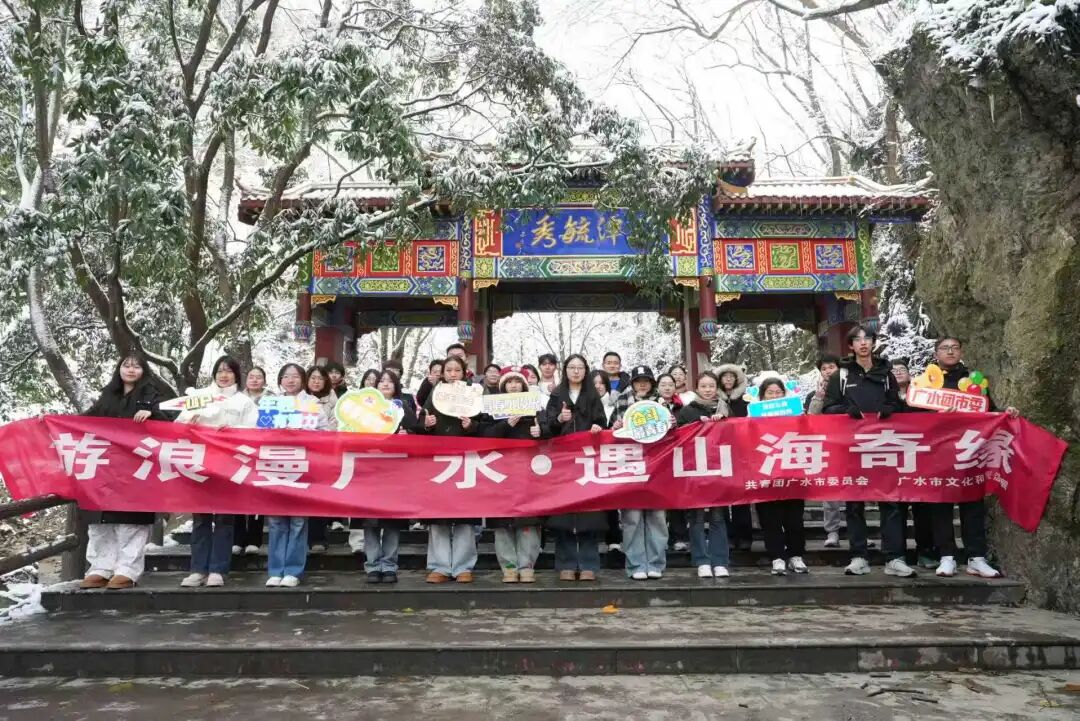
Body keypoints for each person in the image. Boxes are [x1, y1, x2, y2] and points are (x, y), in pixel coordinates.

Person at [926, 336, 1018, 579]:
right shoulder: (927, 382)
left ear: (961, 351)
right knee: (941, 504)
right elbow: (913, 416)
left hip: (971, 450)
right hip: (939, 452)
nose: (950, 351)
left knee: (973, 503)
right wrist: (936, 416)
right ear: (936, 353)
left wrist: (1004, 413)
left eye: (955, 348)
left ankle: (976, 557)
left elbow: (989, 410)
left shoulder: (973, 380)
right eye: (945, 348)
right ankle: (947, 556)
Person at [79, 354, 171, 590]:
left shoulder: (153, 395)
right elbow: (84, 420)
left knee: (131, 521)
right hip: (106, 468)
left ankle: (127, 569)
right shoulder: (108, 395)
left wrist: (152, 414)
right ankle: (100, 567)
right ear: (119, 369)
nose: (131, 370)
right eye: (126, 365)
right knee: (101, 522)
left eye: (136, 366)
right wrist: (52, 420)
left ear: (144, 371)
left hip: (137, 469)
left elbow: (171, 422)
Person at [822, 326, 909, 577]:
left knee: (891, 503)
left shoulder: (886, 374)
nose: (863, 343)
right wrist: (846, 411)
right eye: (857, 340)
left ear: (873, 343)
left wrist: (890, 408)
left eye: (867, 339)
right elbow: (828, 408)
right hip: (852, 447)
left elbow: (897, 404)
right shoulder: (841, 375)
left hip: (884, 446)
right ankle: (858, 556)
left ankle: (894, 557)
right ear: (850, 346)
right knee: (854, 504)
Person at [177, 355, 259, 588]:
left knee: (224, 519)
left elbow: (254, 431)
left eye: (229, 371)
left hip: (229, 465)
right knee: (200, 518)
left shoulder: (244, 402)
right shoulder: (199, 397)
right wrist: (189, 424)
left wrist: (234, 430)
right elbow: (177, 426)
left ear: (236, 375)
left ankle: (218, 570)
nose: (224, 375)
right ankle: (197, 569)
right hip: (199, 463)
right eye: (220, 371)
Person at [264, 363, 335, 588]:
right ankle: (275, 570)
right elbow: (259, 432)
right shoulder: (271, 403)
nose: (290, 380)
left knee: (298, 520)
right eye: (286, 376)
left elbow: (325, 433)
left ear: (303, 380)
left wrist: (304, 433)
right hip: (276, 465)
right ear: (280, 380)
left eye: (295, 376)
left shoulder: (312, 403)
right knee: (276, 520)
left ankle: (293, 570)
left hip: (302, 465)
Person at [420, 356, 484, 583]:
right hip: (439, 461)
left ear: (464, 372)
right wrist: (427, 425)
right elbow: (421, 421)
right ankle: (439, 566)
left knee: (465, 516)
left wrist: (471, 426)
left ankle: (463, 566)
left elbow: (486, 425)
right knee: (438, 516)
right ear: (443, 373)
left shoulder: (473, 393)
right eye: (449, 370)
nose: (453, 374)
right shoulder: (435, 392)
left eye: (457, 370)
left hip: (466, 460)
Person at [545, 354, 608, 581]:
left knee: (589, 513)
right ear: (565, 370)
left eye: (580, 367)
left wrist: (597, 427)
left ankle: (589, 564)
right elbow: (547, 427)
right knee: (564, 514)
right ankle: (566, 564)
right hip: (563, 462)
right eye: (571, 367)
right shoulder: (556, 395)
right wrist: (559, 420)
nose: (576, 371)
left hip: (588, 460)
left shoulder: (592, 395)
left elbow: (602, 422)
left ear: (586, 370)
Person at [483, 369, 547, 583]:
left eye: (517, 382)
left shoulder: (535, 408)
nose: (513, 385)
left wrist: (541, 432)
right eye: (509, 382)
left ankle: (527, 565)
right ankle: (509, 567)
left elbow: (549, 431)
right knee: (502, 524)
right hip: (499, 473)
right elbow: (484, 435)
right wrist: (506, 424)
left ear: (523, 386)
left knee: (528, 521)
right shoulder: (492, 409)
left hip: (528, 473)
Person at [357, 370, 419, 583]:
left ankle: (390, 565)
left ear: (396, 386)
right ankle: (373, 565)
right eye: (381, 381)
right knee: (369, 521)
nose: (385, 384)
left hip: (395, 470)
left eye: (389, 381)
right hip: (368, 468)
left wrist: (408, 434)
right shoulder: (364, 407)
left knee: (392, 521)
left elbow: (416, 431)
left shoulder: (402, 406)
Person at [612, 366, 670, 579]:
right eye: (638, 381)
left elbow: (674, 435)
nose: (642, 384)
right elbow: (611, 433)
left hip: (658, 469)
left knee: (657, 517)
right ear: (632, 383)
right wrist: (616, 426)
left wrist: (672, 424)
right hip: (630, 467)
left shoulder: (662, 404)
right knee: (632, 518)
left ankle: (655, 563)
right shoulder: (621, 402)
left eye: (646, 380)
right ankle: (636, 565)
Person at [676, 371, 732, 578]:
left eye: (711, 386)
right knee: (696, 517)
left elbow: (736, 433)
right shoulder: (687, 411)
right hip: (694, 469)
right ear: (697, 388)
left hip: (719, 468)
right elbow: (678, 436)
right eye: (704, 386)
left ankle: (720, 560)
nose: (708, 390)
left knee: (718, 516)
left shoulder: (725, 408)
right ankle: (701, 560)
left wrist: (723, 422)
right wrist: (695, 425)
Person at [755, 377, 809, 575]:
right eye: (770, 392)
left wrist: (803, 419)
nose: (775, 396)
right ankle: (777, 557)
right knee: (770, 519)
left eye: (778, 392)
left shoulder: (795, 413)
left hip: (792, 471)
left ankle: (796, 555)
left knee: (794, 519)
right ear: (762, 396)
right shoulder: (753, 415)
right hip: (766, 472)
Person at [804, 353, 844, 549]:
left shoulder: (850, 389)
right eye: (824, 368)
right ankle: (832, 531)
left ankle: (858, 532)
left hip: (852, 445)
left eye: (831, 367)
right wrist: (819, 396)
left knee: (857, 491)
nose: (828, 371)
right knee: (830, 492)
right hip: (827, 447)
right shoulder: (814, 394)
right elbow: (811, 417)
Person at [716, 363, 753, 551]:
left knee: (742, 496)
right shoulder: (713, 400)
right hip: (720, 453)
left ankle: (745, 535)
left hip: (743, 452)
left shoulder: (747, 400)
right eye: (725, 376)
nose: (728, 379)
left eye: (732, 376)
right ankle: (728, 536)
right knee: (723, 498)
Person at [236, 366, 273, 555]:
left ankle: (254, 540)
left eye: (259, 377)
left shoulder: (273, 398)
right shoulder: (236, 398)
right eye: (251, 376)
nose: (255, 380)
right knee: (236, 494)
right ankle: (237, 539)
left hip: (262, 451)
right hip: (238, 451)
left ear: (264, 380)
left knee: (257, 494)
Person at [305, 366, 339, 553]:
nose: (316, 381)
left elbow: (335, 424)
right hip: (300, 453)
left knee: (319, 496)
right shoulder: (299, 399)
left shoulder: (334, 400)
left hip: (324, 453)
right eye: (313, 378)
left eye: (320, 378)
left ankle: (318, 537)